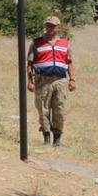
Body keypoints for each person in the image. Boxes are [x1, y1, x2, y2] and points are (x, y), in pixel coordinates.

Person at [27, 15, 75, 146]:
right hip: (42, 80)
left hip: (60, 80)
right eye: (48, 25)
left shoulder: (65, 43)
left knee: (59, 109)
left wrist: (72, 79)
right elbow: (30, 63)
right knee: (43, 109)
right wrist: (30, 81)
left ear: (58, 28)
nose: (50, 28)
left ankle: (58, 139)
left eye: (53, 26)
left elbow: (69, 62)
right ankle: (46, 138)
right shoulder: (37, 43)